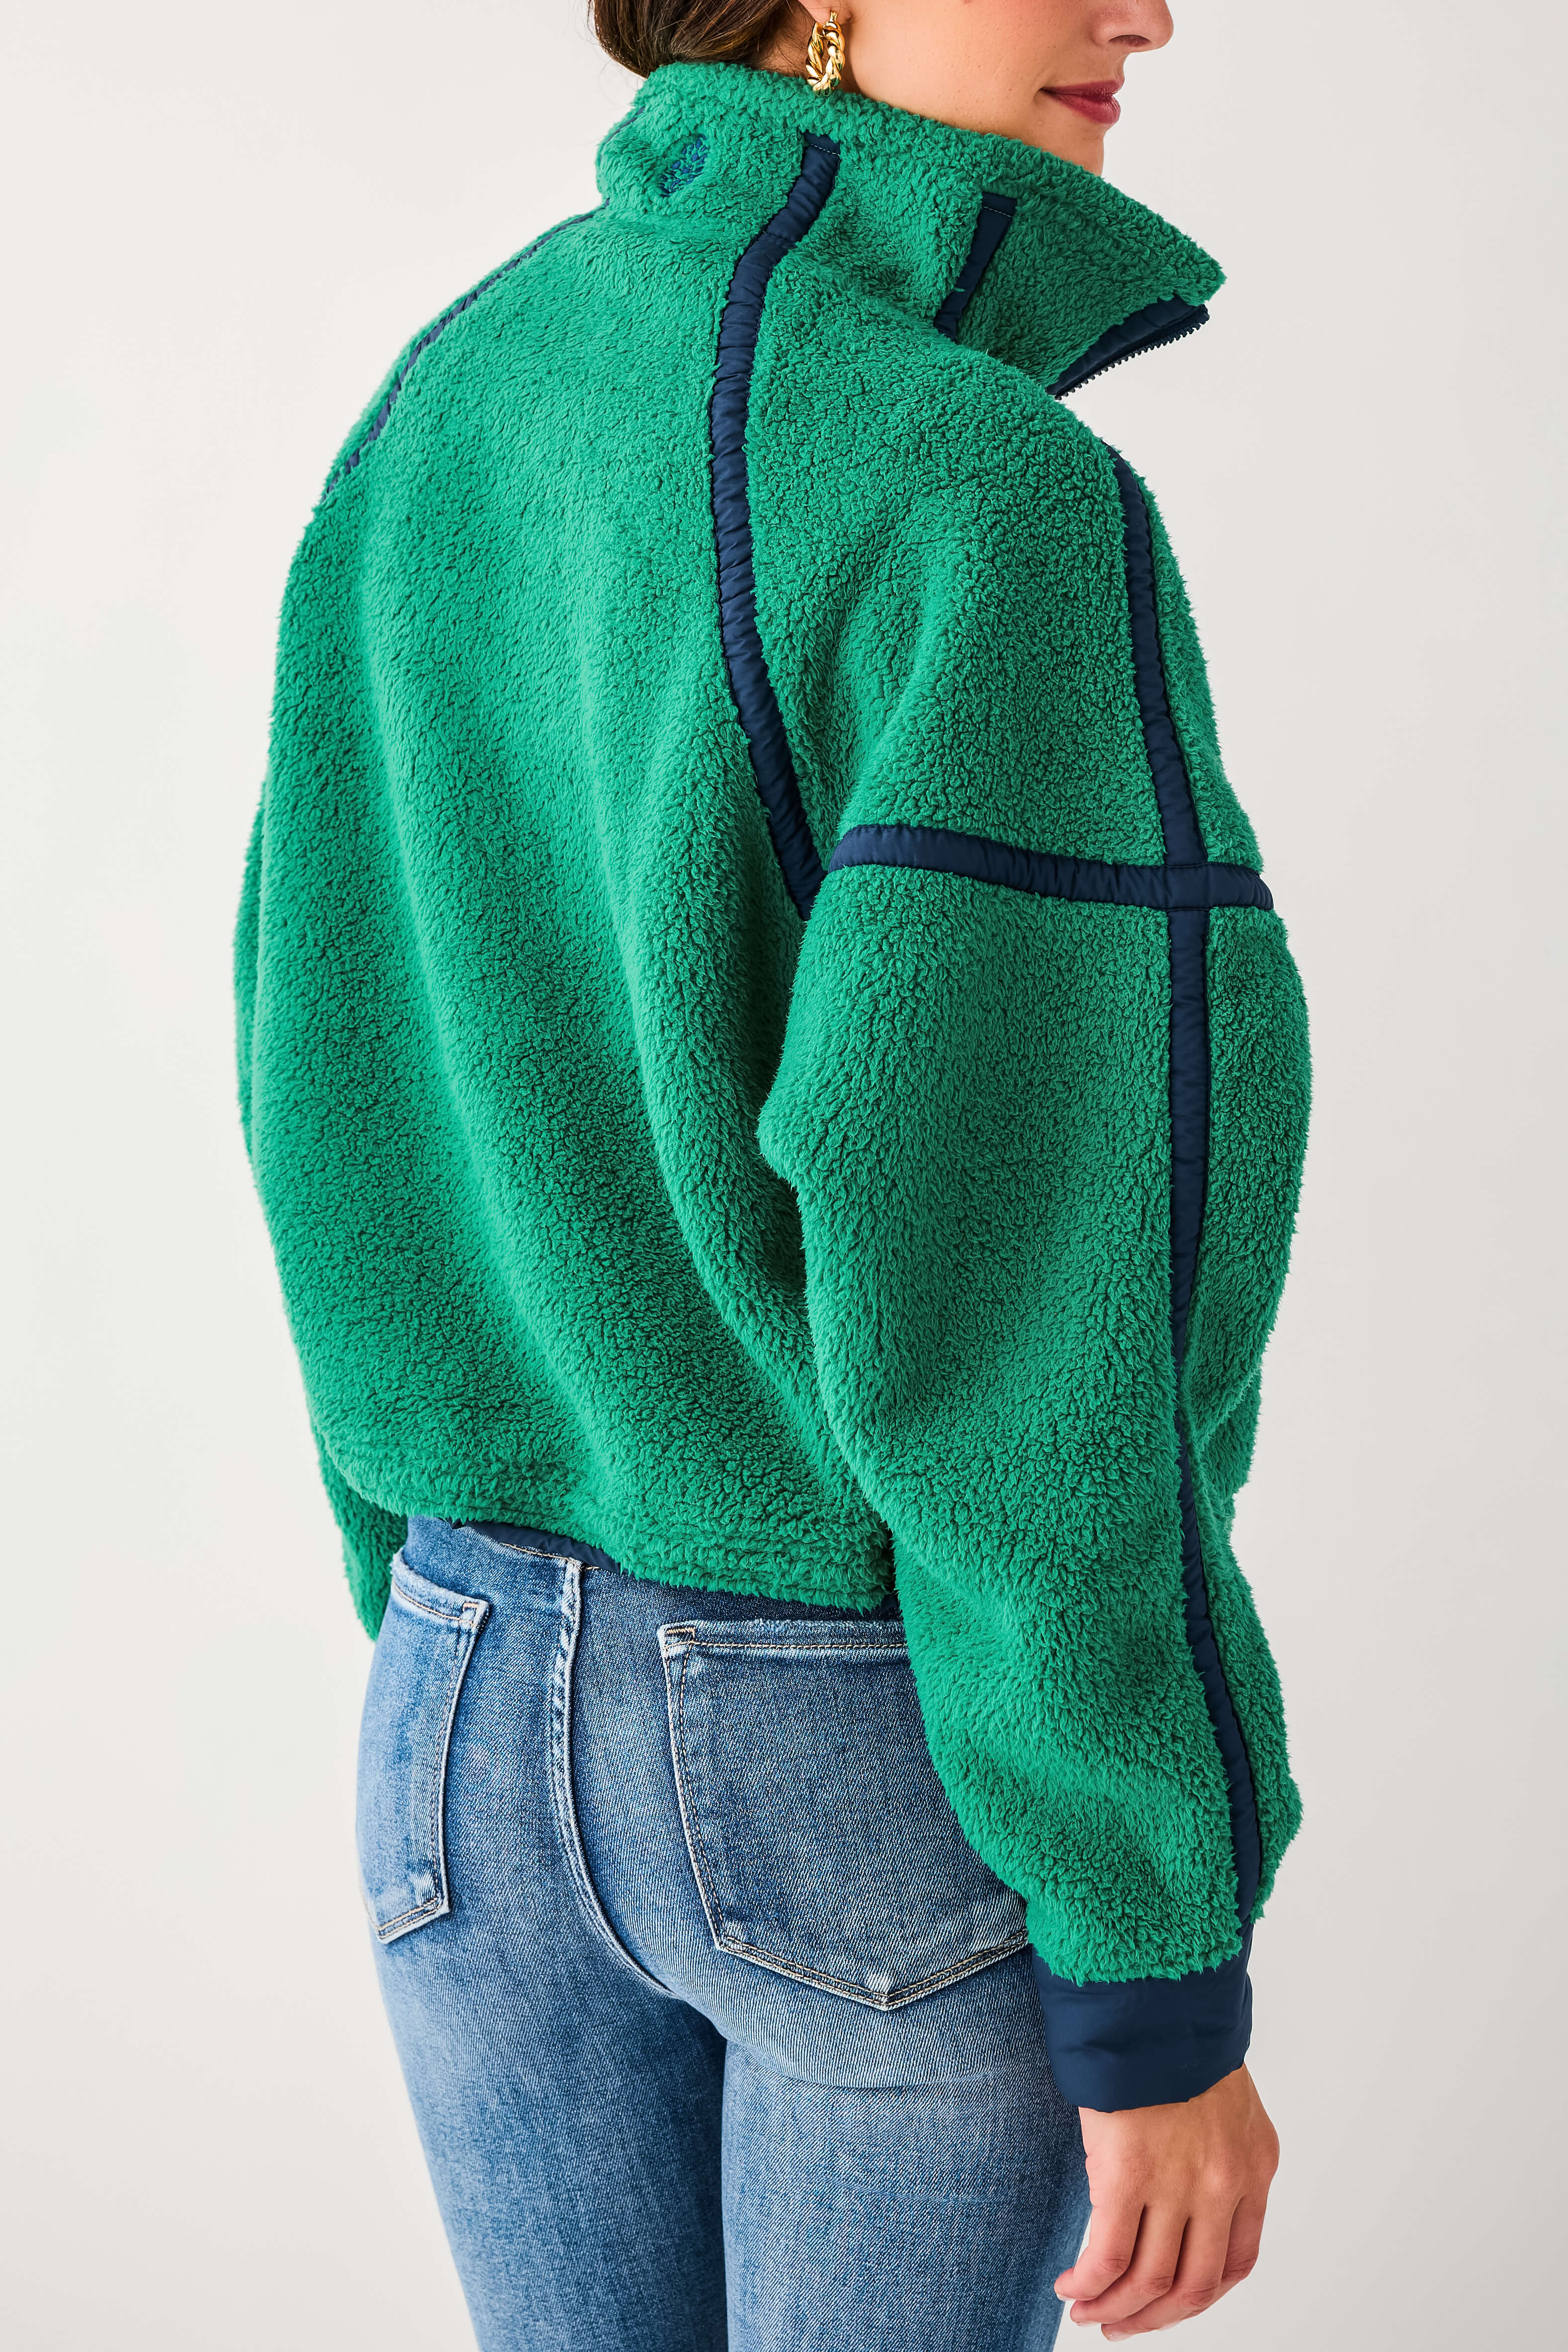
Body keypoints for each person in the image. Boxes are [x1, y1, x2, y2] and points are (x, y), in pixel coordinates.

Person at [235, 0, 1310, 2342]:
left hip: (452, 1698)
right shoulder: (984, 494)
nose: (1147, 9)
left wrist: (436, 1601)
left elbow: (324, 1069)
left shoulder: (454, 394)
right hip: (846, 1752)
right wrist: (1151, 1946)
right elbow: (1031, 1300)